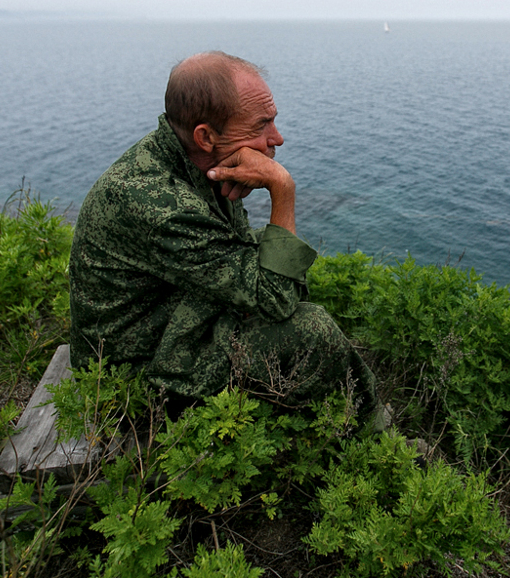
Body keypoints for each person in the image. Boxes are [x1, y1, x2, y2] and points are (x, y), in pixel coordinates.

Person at [68, 51, 378, 421]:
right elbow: (277, 300)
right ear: (206, 136)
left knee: (293, 312)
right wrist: (283, 189)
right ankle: (371, 440)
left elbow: (260, 283)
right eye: (260, 126)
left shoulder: (200, 166)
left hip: (167, 326)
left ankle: (346, 424)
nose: (276, 139)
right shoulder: (159, 202)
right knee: (311, 330)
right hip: (131, 384)